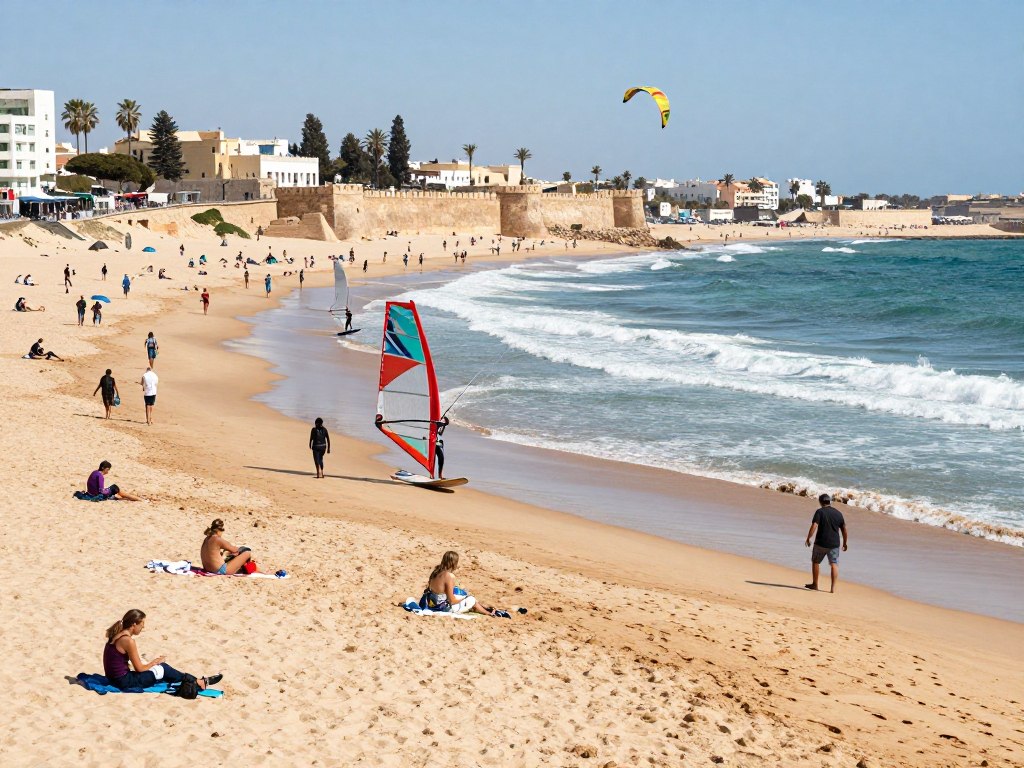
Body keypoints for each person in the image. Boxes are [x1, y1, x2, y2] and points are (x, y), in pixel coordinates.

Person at [103, 609, 221, 692]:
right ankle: (198, 682)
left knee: (160, 671)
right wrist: (154, 662)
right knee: (163, 668)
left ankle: (195, 680)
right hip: (124, 682)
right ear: (134, 624)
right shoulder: (128, 641)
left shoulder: (116, 634)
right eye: (142, 624)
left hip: (114, 679)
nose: (143, 627)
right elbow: (139, 669)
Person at [421, 551, 504, 616]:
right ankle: (489, 613)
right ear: (454, 563)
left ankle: (484, 608)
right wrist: (466, 597)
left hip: (432, 604)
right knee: (471, 599)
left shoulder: (435, 572)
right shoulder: (449, 576)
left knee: (463, 596)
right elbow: (452, 600)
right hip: (443, 608)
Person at [805, 494, 849, 593]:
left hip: (820, 542)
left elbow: (814, 525)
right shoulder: (838, 513)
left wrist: (808, 538)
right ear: (830, 502)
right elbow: (844, 530)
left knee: (816, 562)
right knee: (834, 564)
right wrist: (845, 543)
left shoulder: (819, 512)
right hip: (834, 544)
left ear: (820, 502)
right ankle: (833, 588)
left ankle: (815, 584)